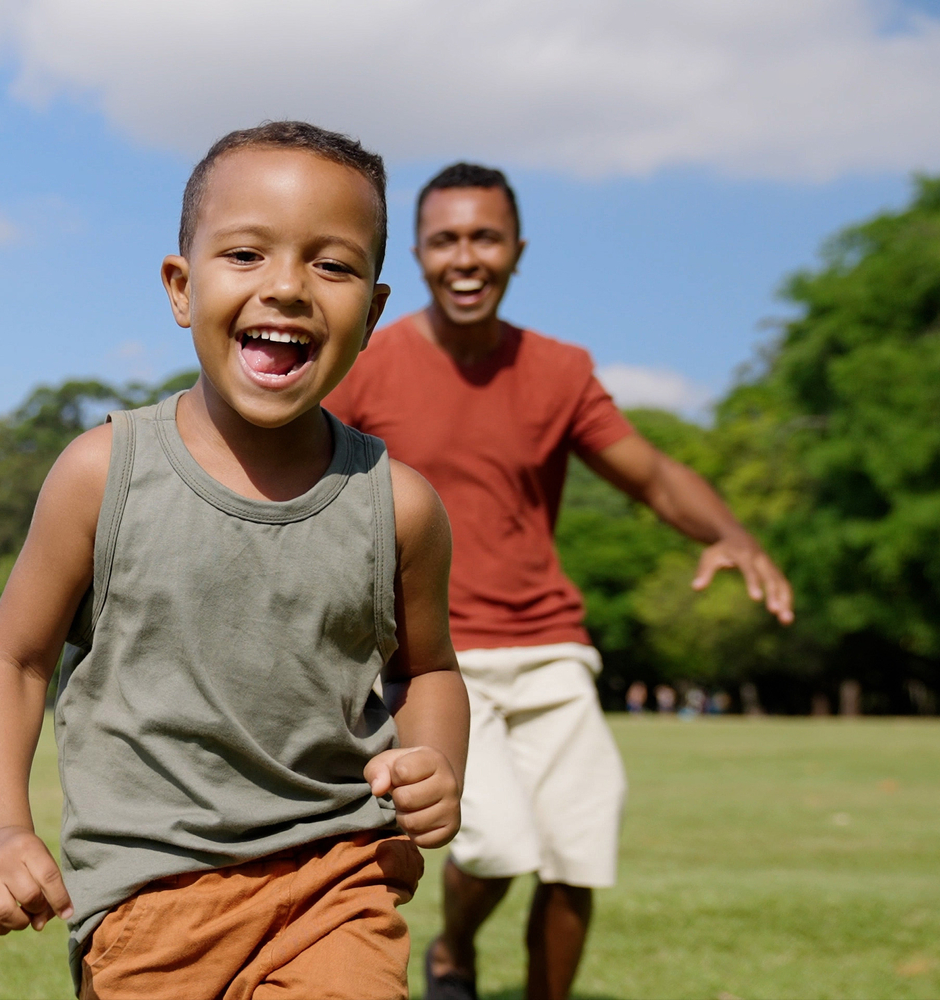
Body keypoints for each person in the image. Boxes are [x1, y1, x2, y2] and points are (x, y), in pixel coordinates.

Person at [0, 121, 469, 999]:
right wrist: (0, 831)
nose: (287, 287)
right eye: (245, 254)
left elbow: (429, 670)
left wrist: (435, 763)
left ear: (375, 311)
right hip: (147, 898)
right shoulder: (102, 474)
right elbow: (13, 659)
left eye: (333, 265)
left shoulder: (400, 507)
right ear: (181, 287)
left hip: (335, 879)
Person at [323, 162, 795, 1000]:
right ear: (418, 255)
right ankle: (454, 951)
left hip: (550, 646)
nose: (466, 257)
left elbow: (650, 475)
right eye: (445, 240)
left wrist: (731, 532)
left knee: (579, 852)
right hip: (435, 659)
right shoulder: (371, 364)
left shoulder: (559, 370)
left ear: (517, 250)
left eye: (485, 238)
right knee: (499, 844)